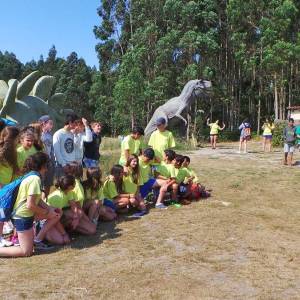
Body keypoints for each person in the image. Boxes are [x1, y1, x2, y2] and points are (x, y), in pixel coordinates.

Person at [0, 152, 62, 257]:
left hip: (25, 215)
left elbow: (37, 200)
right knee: (26, 252)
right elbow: (30, 205)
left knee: (56, 214)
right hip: (22, 216)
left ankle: (37, 241)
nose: (47, 169)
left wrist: (50, 208)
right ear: (42, 166)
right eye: (47, 165)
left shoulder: (31, 176)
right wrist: (47, 212)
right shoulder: (35, 179)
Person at [0, 126, 20, 248]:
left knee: (4, 215)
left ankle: (4, 236)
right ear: (12, 139)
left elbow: (14, 171)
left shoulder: (13, 152)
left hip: (8, 188)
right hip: (1, 189)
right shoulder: (1, 153)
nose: (19, 141)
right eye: (17, 138)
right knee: (1, 215)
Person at [38, 115, 55, 198]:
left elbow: (51, 148)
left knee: (48, 183)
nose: (52, 125)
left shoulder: (50, 134)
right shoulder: (37, 134)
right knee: (39, 183)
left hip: (49, 161)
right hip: (40, 162)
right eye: (50, 123)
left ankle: (45, 200)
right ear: (44, 123)